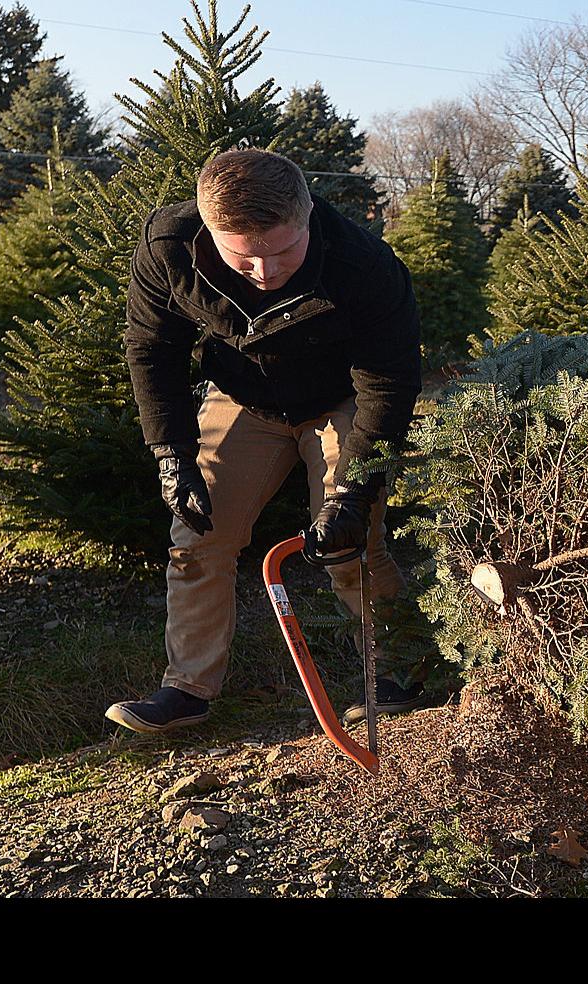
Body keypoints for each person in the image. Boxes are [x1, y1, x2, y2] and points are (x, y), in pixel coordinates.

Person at [105, 148, 424, 734]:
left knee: (349, 541)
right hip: (244, 395)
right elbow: (153, 350)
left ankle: (400, 670)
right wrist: (171, 453)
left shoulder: (363, 264)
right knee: (198, 536)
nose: (264, 271)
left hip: (343, 398)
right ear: (208, 230)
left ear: (307, 218)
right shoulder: (169, 248)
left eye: (282, 251)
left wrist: (354, 491)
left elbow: (389, 381)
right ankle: (187, 689)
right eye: (243, 256)